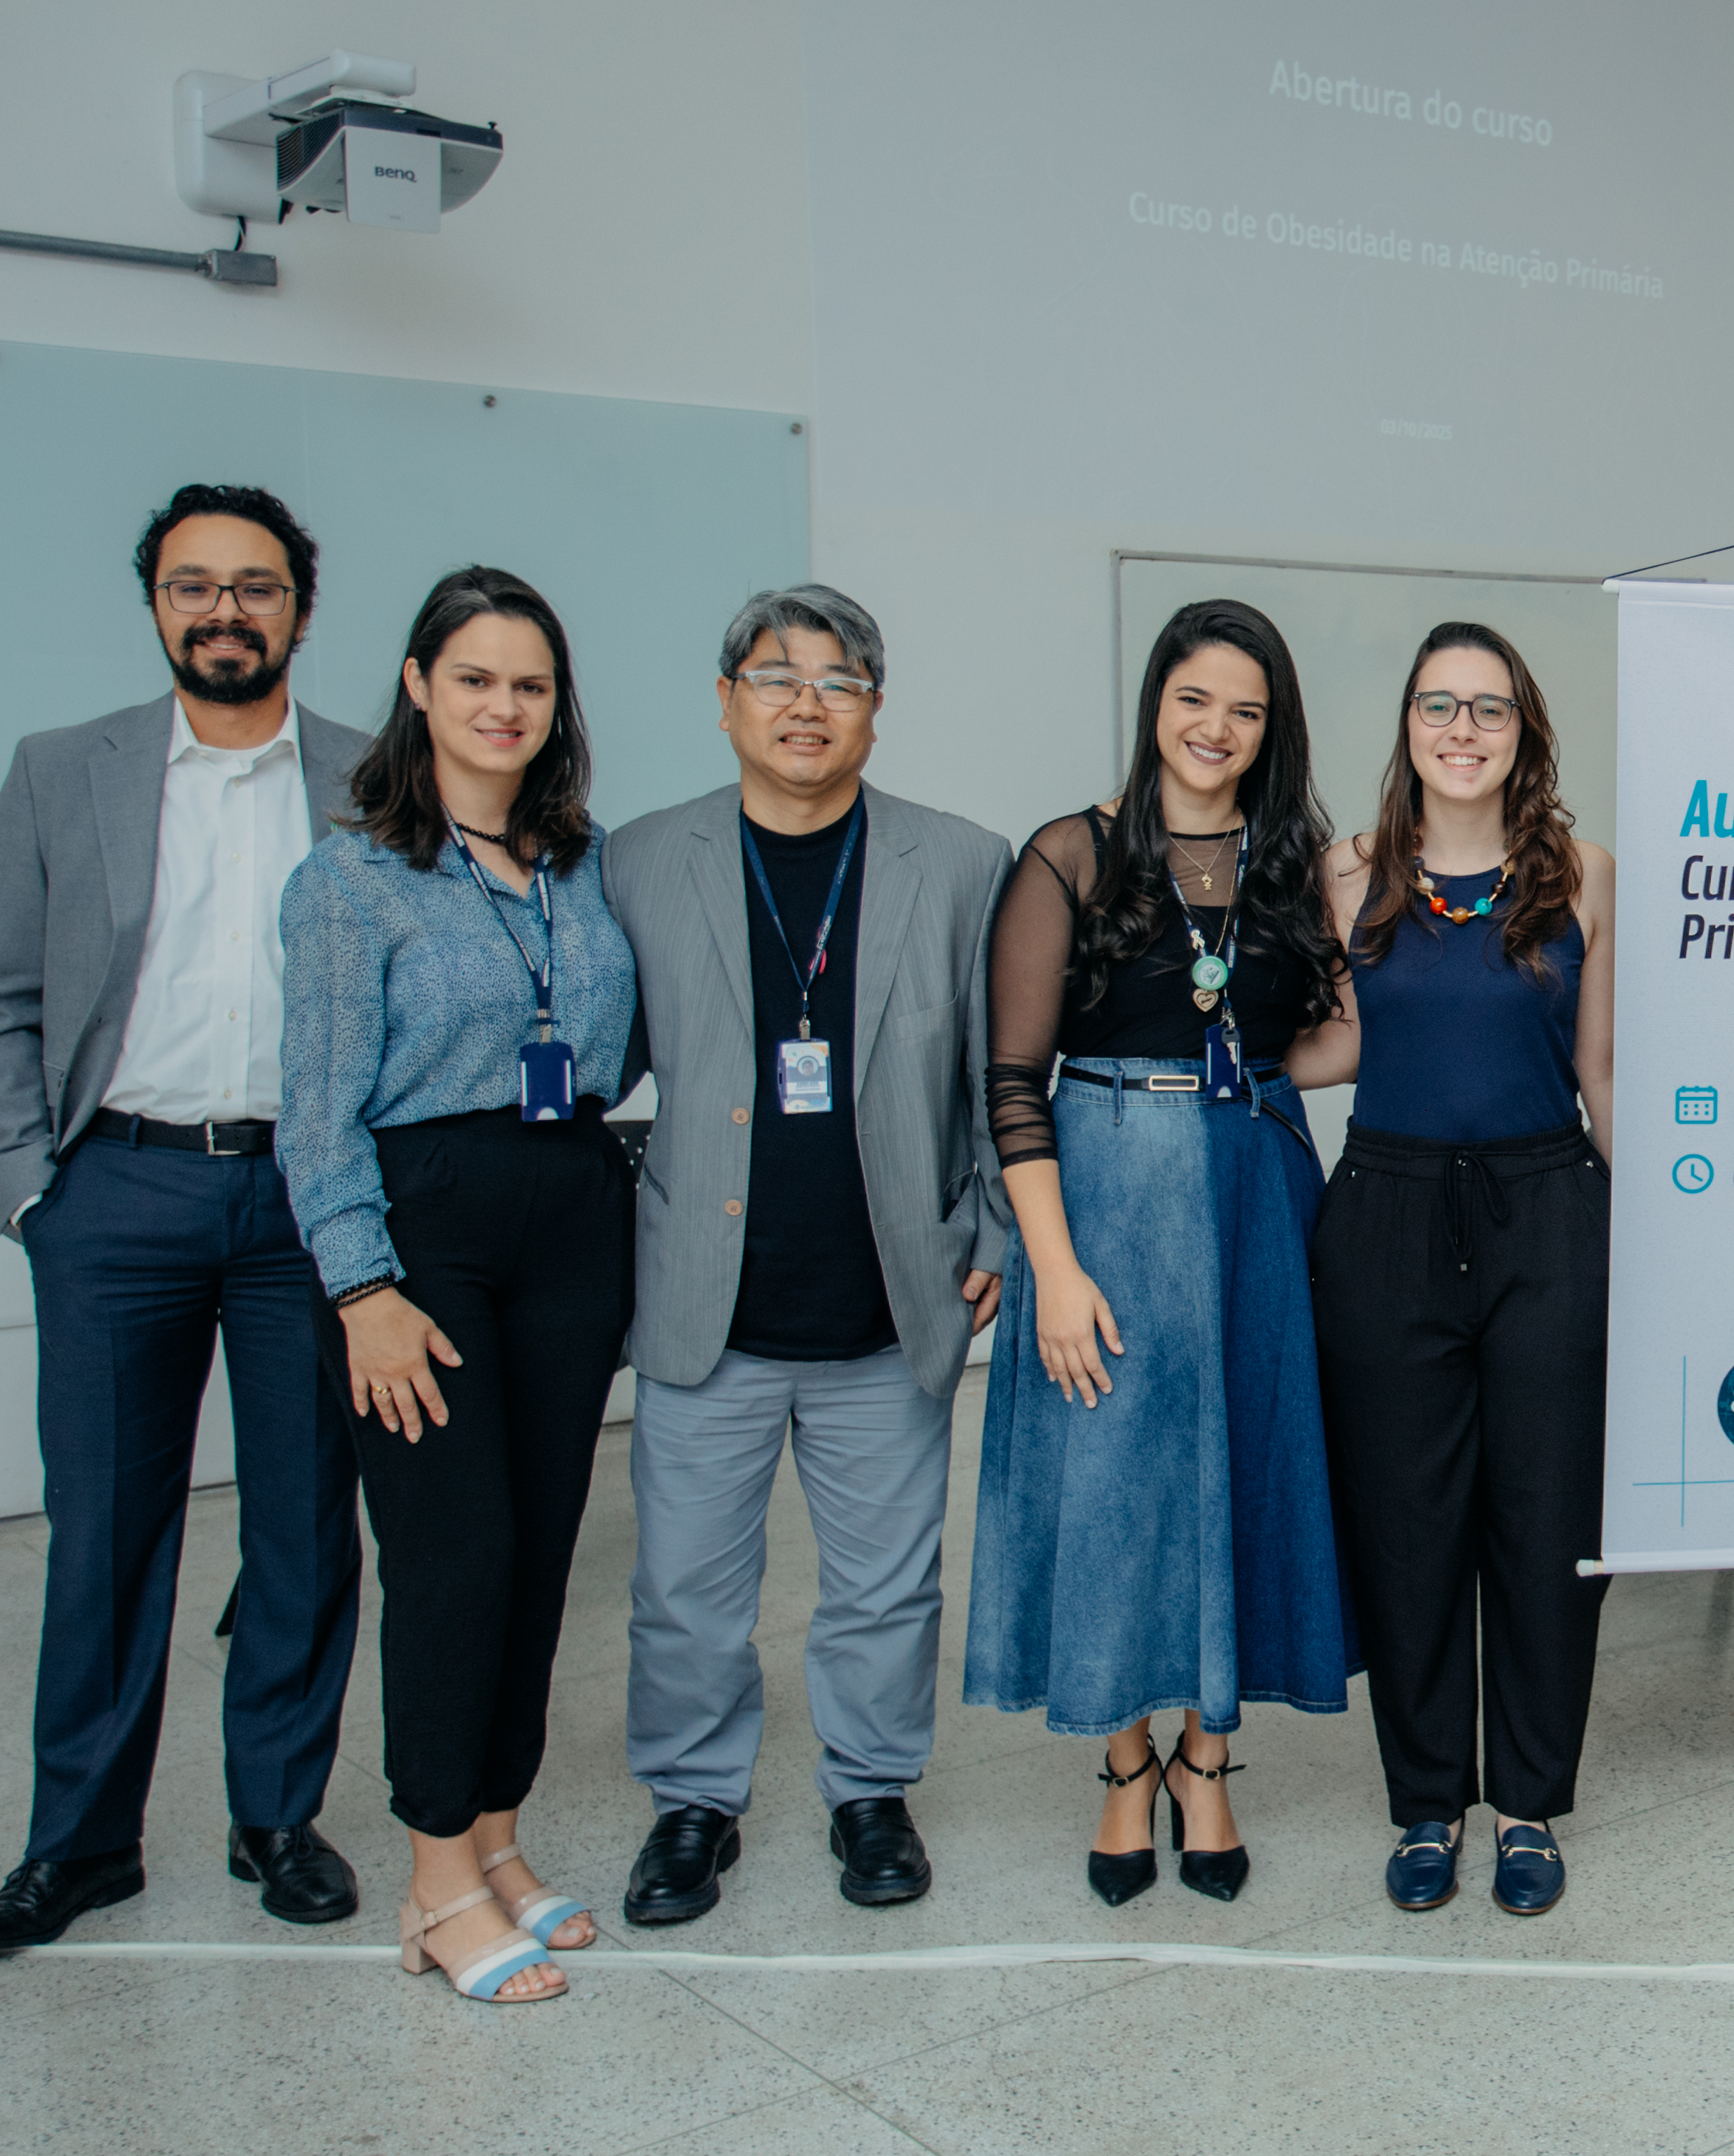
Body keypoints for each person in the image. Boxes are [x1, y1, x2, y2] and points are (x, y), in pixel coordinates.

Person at [0, 487, 373, 1956]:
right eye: (193, 586)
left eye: (255, 586)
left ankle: (276, 1816)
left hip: (307, 1195)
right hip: (113, 1192)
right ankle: (80, 1844)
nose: (224, 610)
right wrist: (30, 1190)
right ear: (156, 607)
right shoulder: (65, 772)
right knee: (106, 1530)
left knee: (307, 1524)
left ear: (300, 610)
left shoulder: (375, 782)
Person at [603, 586, 1012, 1927]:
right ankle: (692, 1802)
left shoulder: (958, 865)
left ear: (876, 712)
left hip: (891, 1293)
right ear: (725, 700)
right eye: (774, 676)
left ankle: (871, 1789)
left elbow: (1003, 1065)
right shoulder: (640, 861)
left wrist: (999, 1228)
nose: (805, 702)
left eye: (839, 681)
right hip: (704, 1298)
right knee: (684, 1586)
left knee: (888, 1582)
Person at [280, 568, 639, 2004]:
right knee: (451, 1559)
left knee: (540, 1547)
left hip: (569, 1213)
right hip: (423, 1235)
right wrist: (362, 1285)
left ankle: (496, 1836)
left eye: (531, 684)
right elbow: (314, 1112)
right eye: (477, 676)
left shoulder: (581, 859)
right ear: (419, 684)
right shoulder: (348, 876)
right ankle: (435, 1884)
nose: (505, 706)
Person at [967, 599, 1355, 1905]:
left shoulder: (1294, 861)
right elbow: (1014, 1078)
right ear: (1155, 702)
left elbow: (1339, 1032)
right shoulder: (1071, 854)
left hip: (1252, 1200)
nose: (1217, 729)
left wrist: (1237, 1090)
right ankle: (1127, 1767)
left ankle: (1211, 1758)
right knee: (1120, 1482)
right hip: (1105, 1202)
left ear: (1271, 728)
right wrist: (1054, 1268)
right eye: (1197, 699)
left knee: (1236, 1471)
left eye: (1246, 710)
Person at [1289, 622, 1618, 1918]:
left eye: (1489, 707)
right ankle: (1428, 1803)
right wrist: (1196, 1064)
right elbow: (1339, 1048)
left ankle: (1528, 1804)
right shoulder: (1349, 872)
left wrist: (1667, 1230)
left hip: (1547, 1208)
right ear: (1410, 724)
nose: (1464, 728)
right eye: (1441, 704)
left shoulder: (1584, 874)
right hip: (1389, 1211)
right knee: (1408, 1526)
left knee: (1545, 1523)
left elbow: (1598, 1072)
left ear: (1525, 728)